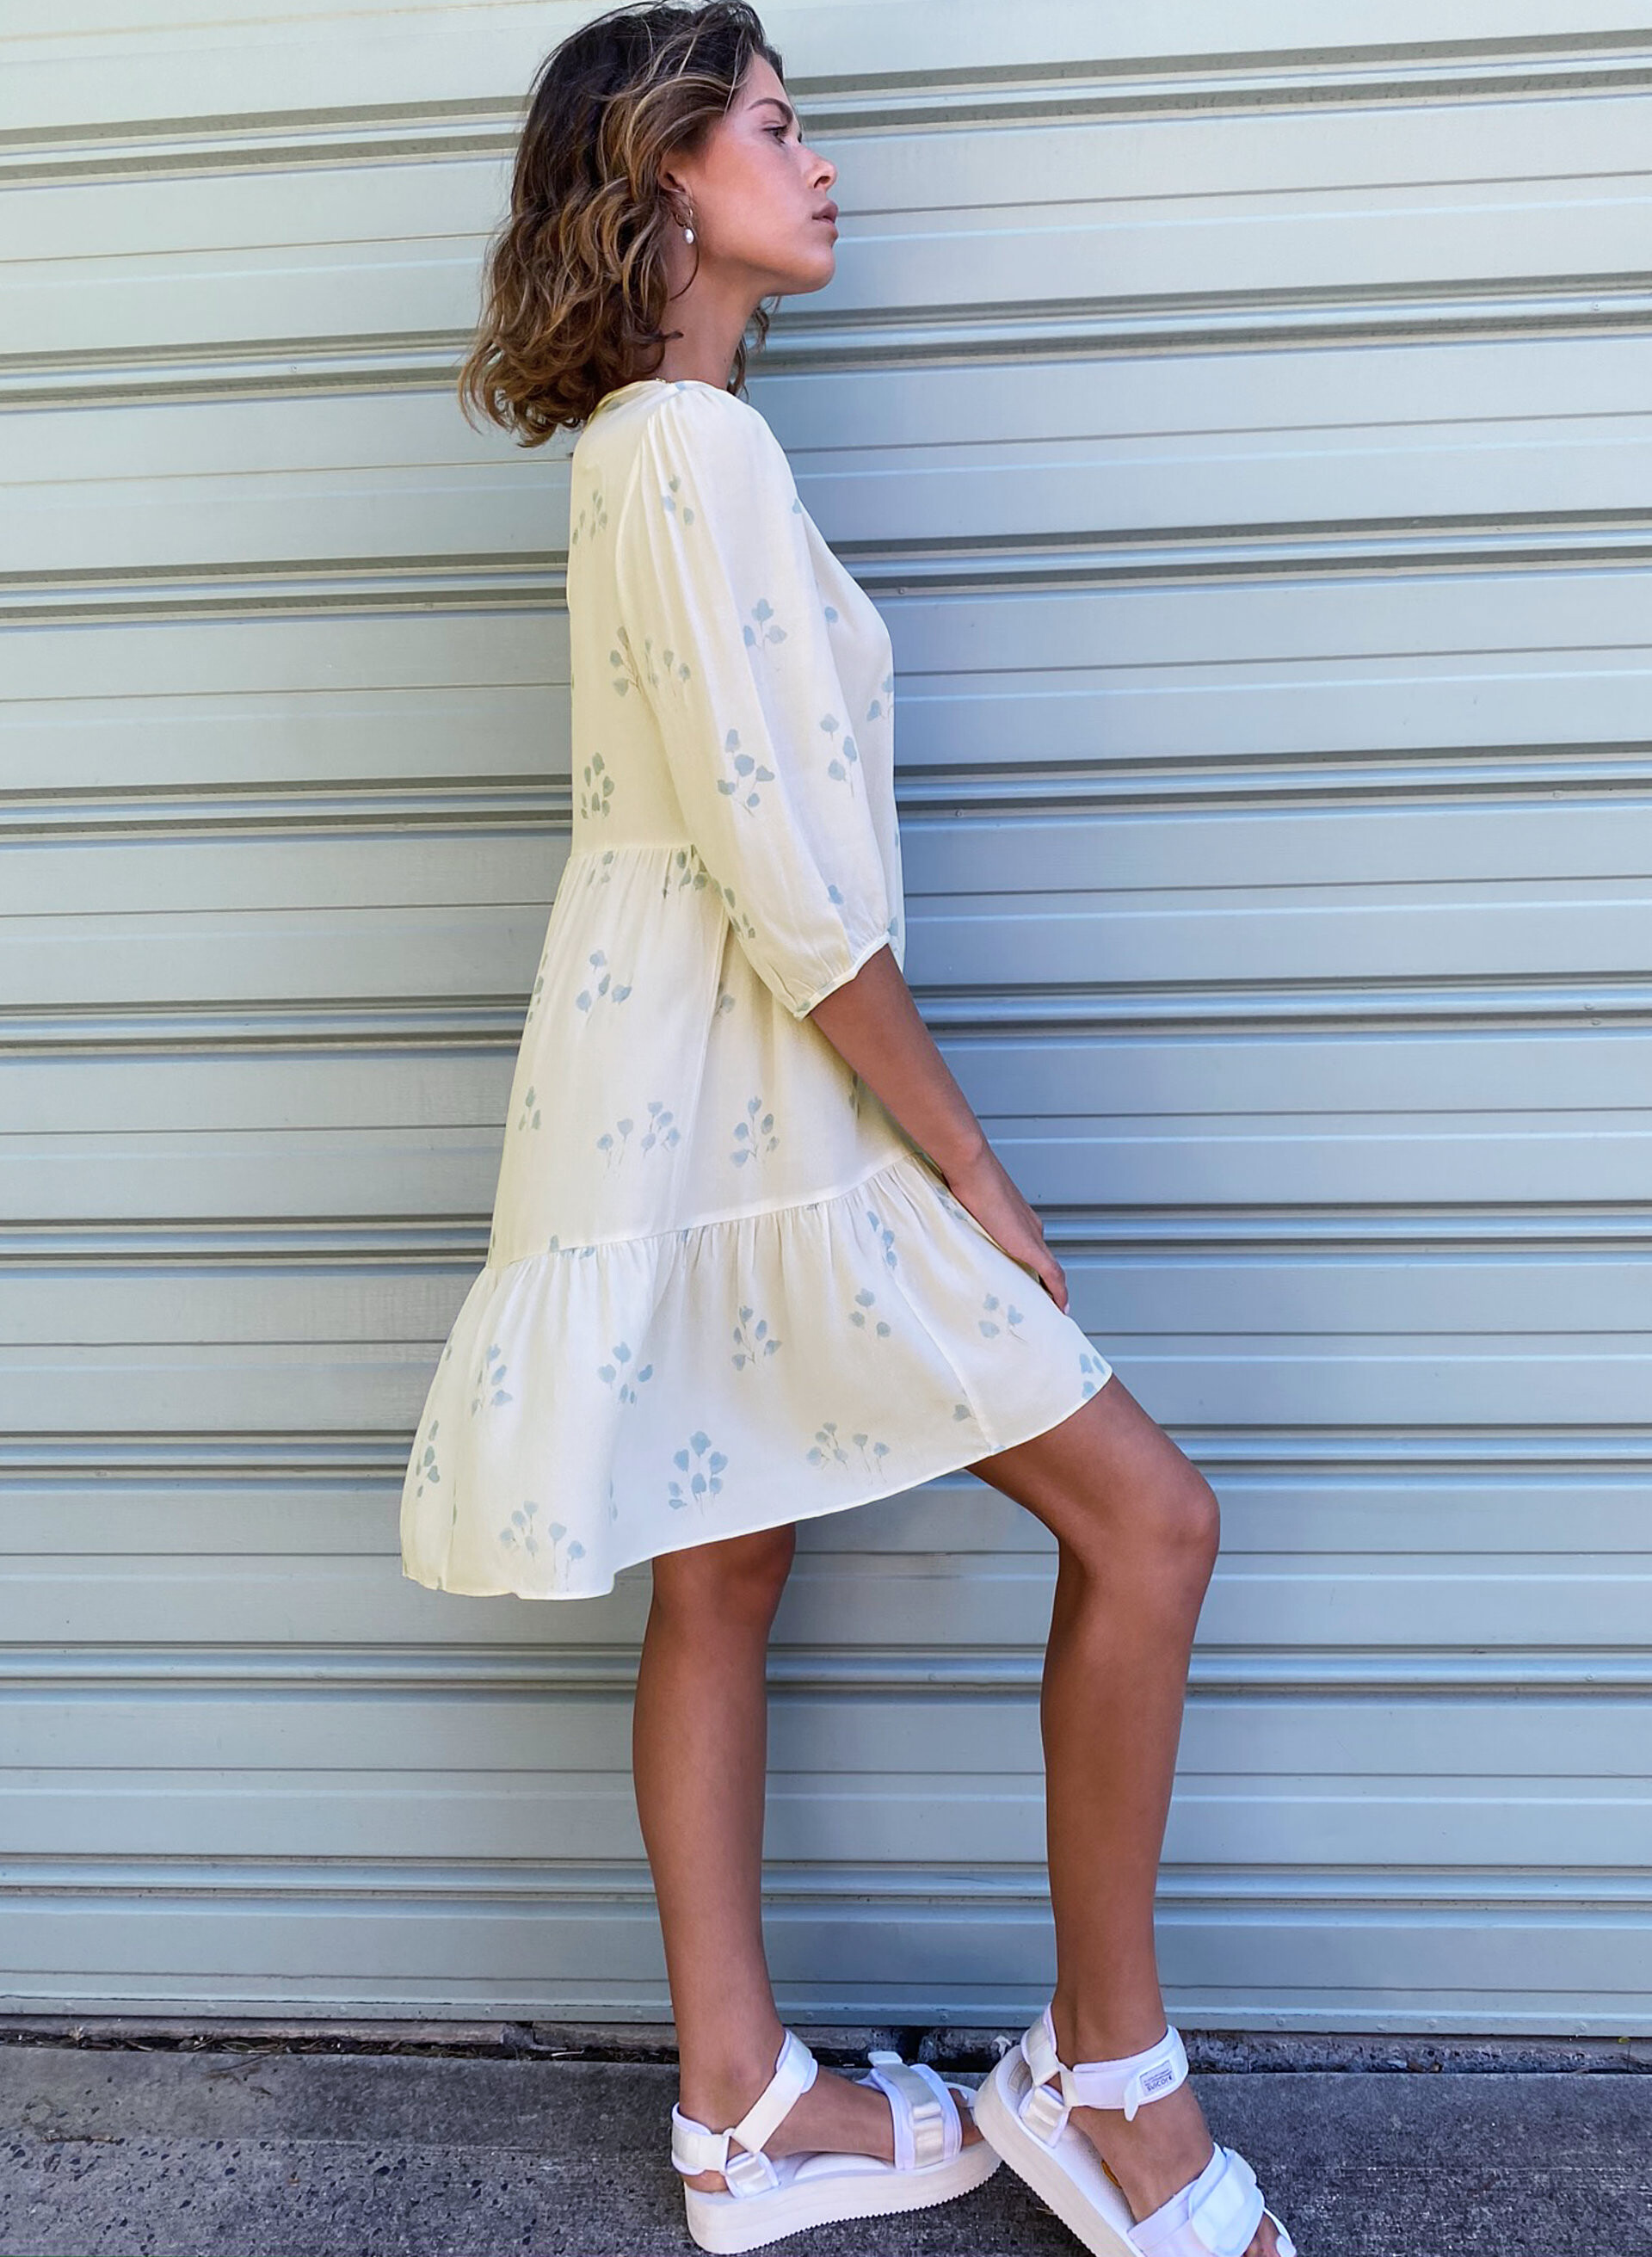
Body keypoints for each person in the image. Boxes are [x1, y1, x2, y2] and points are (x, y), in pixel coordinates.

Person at [401, 6, 1297, 2254]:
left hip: (672, 1087)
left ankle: (744, 2108)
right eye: (779, 128)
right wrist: (971, 1167)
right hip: (748, 1088)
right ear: (666, 174)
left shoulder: (649, 449)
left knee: (725, 1563)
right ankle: (1108, 2080)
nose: (823, 165)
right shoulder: (691, 451)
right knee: (1153, 1521)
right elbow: (794, 884)